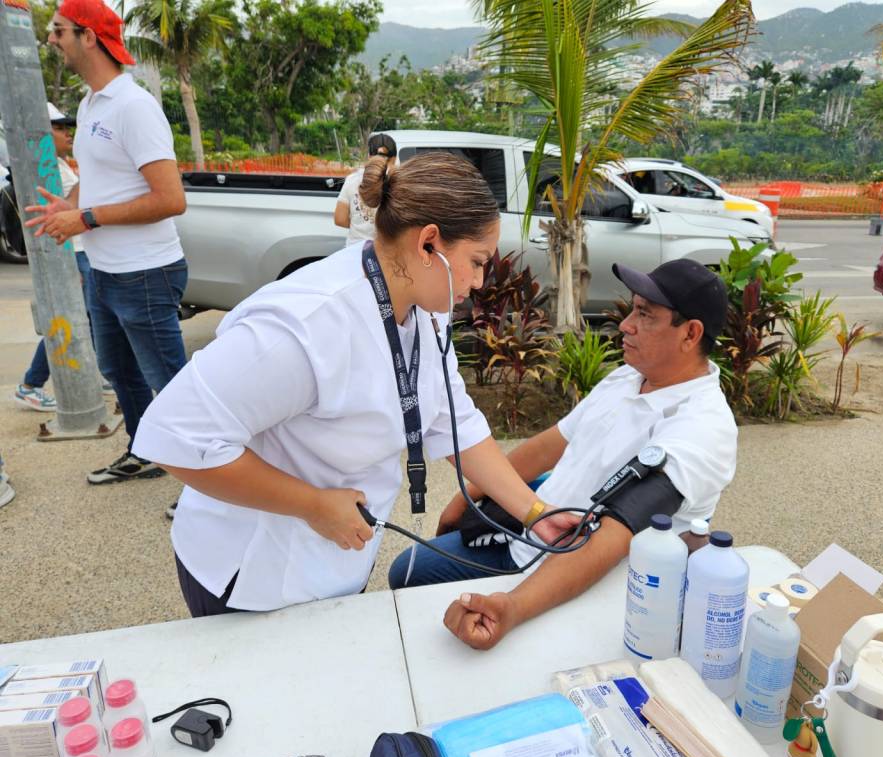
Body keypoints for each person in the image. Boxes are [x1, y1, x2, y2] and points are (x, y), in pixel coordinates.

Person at [131, 152, 576, 617]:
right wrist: (313, 505)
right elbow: (175, 435)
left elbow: (453, 418)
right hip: (252, 574)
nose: (481, 282)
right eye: (477, 262)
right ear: (428, 245)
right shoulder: (306, 324)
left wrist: (534, 514)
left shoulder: (426, 308)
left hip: (335, 560)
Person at [389, 259, 739, 651]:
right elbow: (546, 447)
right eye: (632, 309)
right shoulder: (630, 376)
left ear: (690, 334)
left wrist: (514, 606)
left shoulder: (701, 428)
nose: (626, 325)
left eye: (645, 315)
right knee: (410, 571)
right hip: (532, 532)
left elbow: (614, 536)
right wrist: (467, 497)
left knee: (407, 576)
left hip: (576, 579)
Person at [25, 0, 189, 485]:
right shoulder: (90, 103)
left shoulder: (135, 107)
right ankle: (145, 453)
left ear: (89, 37)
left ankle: (215, 493)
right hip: (105, 271)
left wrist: (87, 218)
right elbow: (100, 180)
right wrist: (69, 204)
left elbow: (170, 198)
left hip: (145, 272)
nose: (51, 39)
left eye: (58, 30)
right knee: (120, 370)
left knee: (174, 387)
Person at [14, 103, 108, 413]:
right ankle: (31, 384)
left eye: (68, 127)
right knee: (71, 320)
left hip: (83, 251)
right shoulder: (45, 168)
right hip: (73, 253)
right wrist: (64, 265)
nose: (67, 133)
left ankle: (98, 371)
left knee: (90, 318)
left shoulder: (60, 164)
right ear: (41, 134)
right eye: (59, 128)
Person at [334, 133, 396, 246]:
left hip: (355, 250)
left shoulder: (352, 180)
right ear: (394, 159)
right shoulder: (398, 182)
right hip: (385, 253)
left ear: (369, 156)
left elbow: (340, 219)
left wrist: (358, 226)